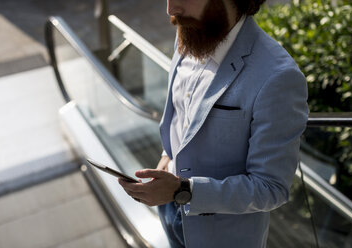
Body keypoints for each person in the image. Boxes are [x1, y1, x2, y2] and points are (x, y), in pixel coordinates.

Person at [118, 0, 309, 247]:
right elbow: (181, 116)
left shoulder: (278, 76)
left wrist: (182, 190)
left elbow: (271, 188)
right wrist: (168, 156)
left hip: (222, 236)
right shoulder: (188, 33)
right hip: (167, 210)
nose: (170, 9)